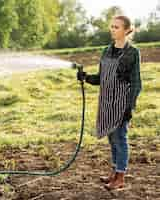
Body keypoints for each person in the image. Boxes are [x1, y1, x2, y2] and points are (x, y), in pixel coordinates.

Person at [77, 15, 142, 190]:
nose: (113, 30)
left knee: (120, 138)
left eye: (117, 27)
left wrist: (130, 106)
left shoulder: (132, 52)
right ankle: (114, 173)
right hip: (106, 102)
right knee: (112, 139)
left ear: (127, 30)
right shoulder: (106, 50)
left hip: (121, 103)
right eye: (111, 27)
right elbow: (101, 78)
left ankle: (120, 177)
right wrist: (86, 77)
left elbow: (136, 82)